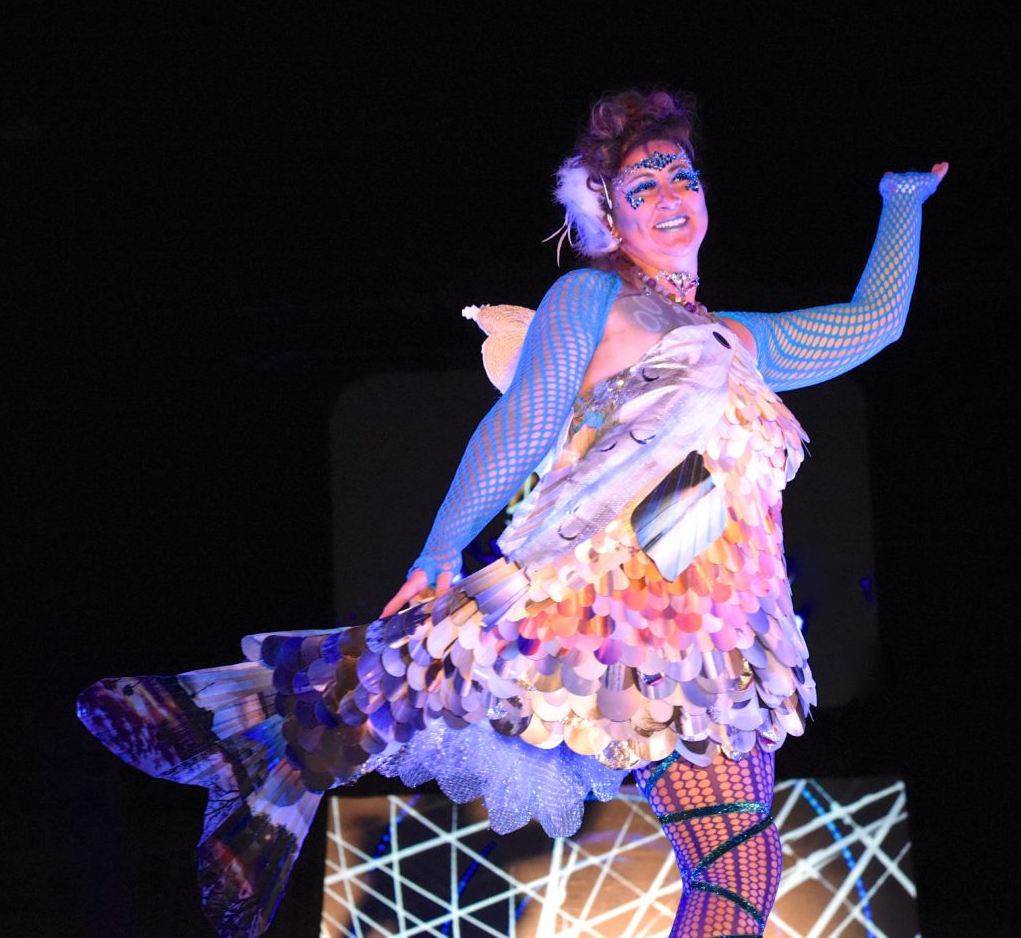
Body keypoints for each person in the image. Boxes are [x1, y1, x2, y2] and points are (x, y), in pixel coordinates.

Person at [78, 89, 946, 938]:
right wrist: (440, 549)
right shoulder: (593, 297)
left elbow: (873, 322)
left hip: (719, 638)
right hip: (631, 616)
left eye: (680, 177)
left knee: (741, 872)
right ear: (608, 216)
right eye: (642, 190)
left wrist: (900, 203)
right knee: (735, 867)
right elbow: (526, 421)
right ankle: (265, 729)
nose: (670, 199)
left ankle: (277, 730)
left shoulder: (737, 339)